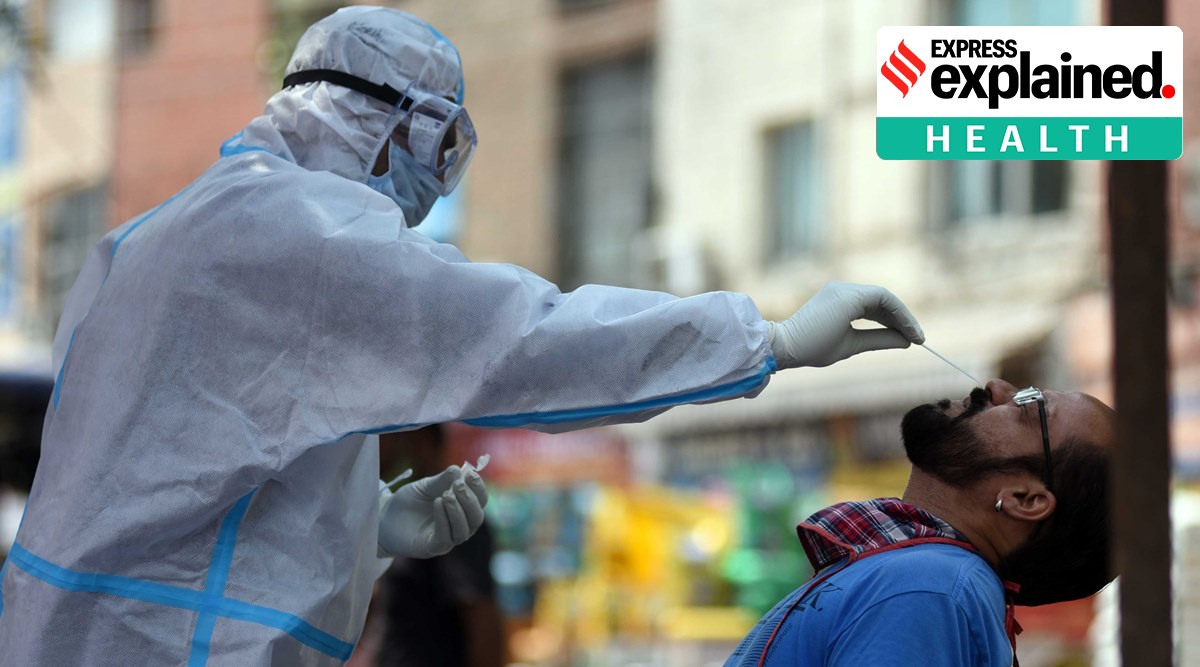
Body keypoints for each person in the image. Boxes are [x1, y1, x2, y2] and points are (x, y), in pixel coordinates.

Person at [0, 6, 924, 665]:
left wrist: (366, 526)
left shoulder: (153, 237)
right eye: (442, 152)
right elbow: (526, 338)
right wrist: (765, 339)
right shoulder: (306, 234)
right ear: (391, 121)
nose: (435, 191)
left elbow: (187, 471)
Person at [724, 379, 1115, 667]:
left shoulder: (929, 588)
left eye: (1030, 405)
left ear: (1024, 499)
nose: (996, 388)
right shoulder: (932, 581)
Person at [352, 425, 505, 667]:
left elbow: (482, 622)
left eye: (386, 437)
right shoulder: (390, 516)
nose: (377, 450)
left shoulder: (450, 517)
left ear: (416, 439)